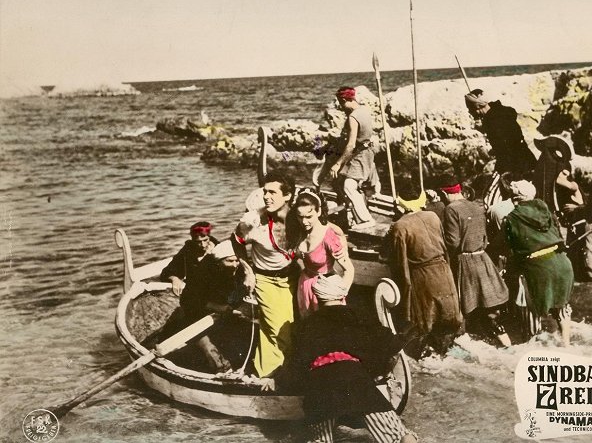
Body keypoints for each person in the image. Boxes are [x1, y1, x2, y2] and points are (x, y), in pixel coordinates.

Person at [267, 274, 418, 443]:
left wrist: (278, 380)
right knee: (400, 436)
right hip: (354, 380)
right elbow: (387, 343)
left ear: (317, 297)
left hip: (320, 387)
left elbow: (297, 364)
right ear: (343, 296)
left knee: (321, 440)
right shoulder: (356, 315)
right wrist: (406, 333)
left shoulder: (305, 326)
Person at [385, 178, 463, 357]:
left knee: (424, 319)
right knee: (447, 315)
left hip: (422, 275)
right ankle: (444, 352)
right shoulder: (433, 216)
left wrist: (405, 291)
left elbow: (400, 260)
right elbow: (444, 245)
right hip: (443, 271)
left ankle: (424, 356)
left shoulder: (400, 226)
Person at [159, 223, 251, 372]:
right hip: (198, 305)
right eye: (197, 241)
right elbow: (189, 299)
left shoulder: (224, 252)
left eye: (205, 240)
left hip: (217, 303)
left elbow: (238, 287)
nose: (234, 265)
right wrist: (175, 278)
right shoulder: (199, 267)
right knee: (211, 352)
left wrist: (248, 278)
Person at [234, 170, 299, 378]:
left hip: (293, 277)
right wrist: (248, 270)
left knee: (290, 326)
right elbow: (236, 242)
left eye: (272, 192)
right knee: (278, 329)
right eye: (265, 192)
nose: (266, 197)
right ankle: (271, 375)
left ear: (288, 196)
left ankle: (274, 369)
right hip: (266, 279)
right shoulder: (254, 220)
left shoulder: (298, 218)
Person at [440, 174, 512, 347]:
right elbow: (485, 237)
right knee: (490, 310)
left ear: (444, 194)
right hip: (483, 259)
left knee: (464, 307)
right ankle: (508, 345)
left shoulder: (451, 209)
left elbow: (453, 241)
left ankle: (462, 346)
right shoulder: (476, 206)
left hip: (466, 263)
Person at [503, 180, 574, 346]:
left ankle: (532, 346)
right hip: (562, 262)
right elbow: (559, 234)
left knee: (531, 309)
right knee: (562, 306)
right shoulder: (547, 211)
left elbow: (509, 246)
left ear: (515, 198)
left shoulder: (512, 218)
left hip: (538, 267)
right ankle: (566, 345)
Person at [291, 187, 354, 317]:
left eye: (309, 217)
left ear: (319, 211)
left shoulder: (328, 237)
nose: (304, 222)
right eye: (300, 217)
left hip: (325, 289)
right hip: (304, 285)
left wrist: (338, 293)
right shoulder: (299, 231)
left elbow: (349, 270)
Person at [329, 86, 377, 230]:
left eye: (340, 102)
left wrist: (337, 164)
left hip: (360, 154)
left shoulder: (353, 117)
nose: (340, 106)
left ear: (344, 100)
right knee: (344, 182)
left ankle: (366, 219)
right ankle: (354, 214)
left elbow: (350, 145)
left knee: (348, 186)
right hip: (368, 151)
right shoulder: (364, 111)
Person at [464, 88, 536, 177]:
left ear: (477, 107)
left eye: (469, 108)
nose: (469, 111)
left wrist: (505, 170)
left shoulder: (493, 122)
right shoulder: (500, 111)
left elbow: (505, 148)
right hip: (527, 158)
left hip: (517, 165)